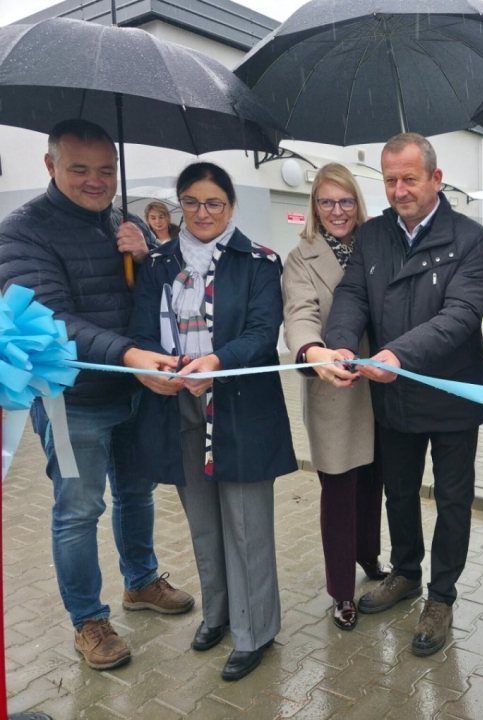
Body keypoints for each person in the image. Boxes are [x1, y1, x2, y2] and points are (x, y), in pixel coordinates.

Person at [0, 118, 194, 671]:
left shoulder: (122, 223)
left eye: (106, 170)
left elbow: (160, 299)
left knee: (136, 493)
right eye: (80, 169)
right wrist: (131, 356)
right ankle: (88, 619)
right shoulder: (20, 233)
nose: (95, 181)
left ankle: (141, 581)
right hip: (73, 401)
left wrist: (150, 253)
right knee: (79, 509)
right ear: (50, 165)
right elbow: (51, 321)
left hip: (134, 391)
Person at [324, 132, 483, 657]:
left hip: (450, 398)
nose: (399, 190)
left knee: (452, 500)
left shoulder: (472, 239)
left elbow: (461, 315)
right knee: (398, 492)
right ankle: (405, 572)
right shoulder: (373, 235)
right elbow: (352, 295)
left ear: (436, 179)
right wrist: (339, 343)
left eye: (409, 179)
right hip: (392, 397)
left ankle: (441, 596)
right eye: (390, 179)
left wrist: (397, 355)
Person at [128, 161, 297, 681]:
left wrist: (217, 363)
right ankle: (218, 613)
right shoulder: (156, 264)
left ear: (231, 206)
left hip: (240, 403)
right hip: (176, 401)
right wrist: (155, 367)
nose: (202, 213)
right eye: (192, 202)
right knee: (202, 521)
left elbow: (262, 333)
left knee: (246, 524)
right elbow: (141, 330)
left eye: (214, 203)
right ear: (180, 205)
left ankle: (254, 631)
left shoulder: (259, 262)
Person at [282, 162, 388, 632]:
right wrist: (312, 350)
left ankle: (370, 556)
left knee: (374, 484)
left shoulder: (377, 244)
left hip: (380, 385)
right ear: (315, 206)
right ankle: (342, 591)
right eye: (327, 202)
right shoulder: (301, 257)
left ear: (357, 203)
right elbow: (299, 314)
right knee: (340, 493)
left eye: (345, 201)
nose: (337, 211)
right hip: (334, 389)